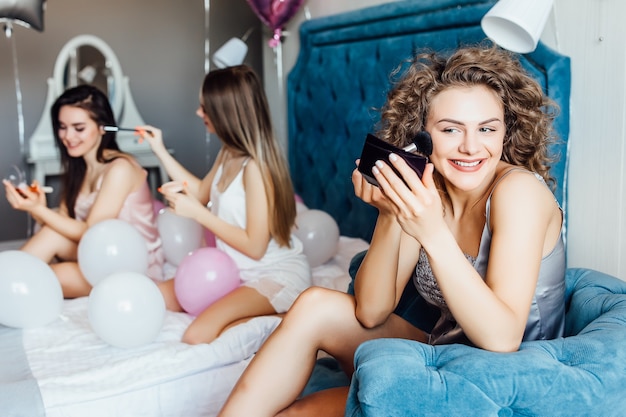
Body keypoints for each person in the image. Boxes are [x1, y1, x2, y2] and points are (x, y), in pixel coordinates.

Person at [217, 45, 566, 416]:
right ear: (423, 135)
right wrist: (389, 213)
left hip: (507, 378)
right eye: (451, 129)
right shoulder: (430, 191)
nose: (471, 147)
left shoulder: (519, 192)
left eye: (486, 129)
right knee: (314, 305)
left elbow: (503, 338)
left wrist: (432, 233)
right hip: (445, 352)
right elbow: (371, 311)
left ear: (505, 132)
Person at [140, 64, 311, 345]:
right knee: (154, 298)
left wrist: (198, 214)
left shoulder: (256, 168)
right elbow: (201, 193)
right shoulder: (229, 152)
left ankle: (292, 320)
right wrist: (159, 149)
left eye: (205, 108)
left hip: (273, 273)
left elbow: (255, 248)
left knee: (198, 333)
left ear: (226, 114)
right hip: (230, 268)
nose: (198, 113)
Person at [2, 84, 164, 298]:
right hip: (95, 254)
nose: (68, 136)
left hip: (130, 264)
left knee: (32, 277)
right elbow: (63, 218)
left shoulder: (120, 169)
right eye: (62, 126)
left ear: (102, 127)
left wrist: (40, 211)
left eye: (78, 128)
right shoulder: (80, 166)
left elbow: (91, 231)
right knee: (45, 242)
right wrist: (36, 207)